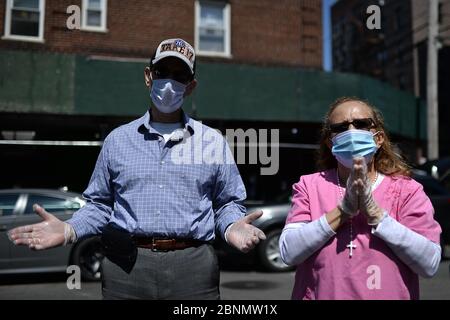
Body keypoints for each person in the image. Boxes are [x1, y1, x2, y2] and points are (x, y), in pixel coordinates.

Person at [8, 38, 266, 300]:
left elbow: (226, 203)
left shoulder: (212, 142)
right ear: (148, 76)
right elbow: (99, 205)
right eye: (162, 72)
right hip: (125, 268)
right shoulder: (117, 140)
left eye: (180, 76)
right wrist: (69, 229)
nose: (169, 82)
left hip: (194, 268)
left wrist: (232, 225)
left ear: (191, 86)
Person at [279, 97, 442, 300]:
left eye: (361, 124)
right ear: (330, 142)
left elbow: (430, 263)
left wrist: (375, 213)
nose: (351, 131)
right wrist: (343, 211)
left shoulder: (408, 190)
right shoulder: (309, 186)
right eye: (340, 127)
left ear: (378, 137)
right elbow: (288, 252)